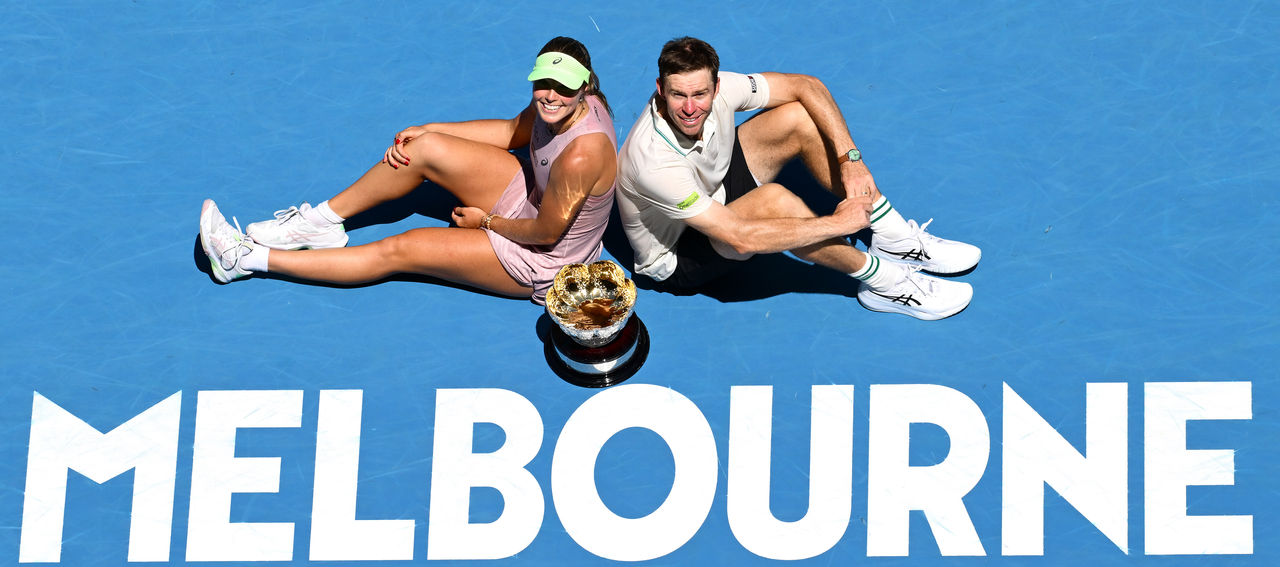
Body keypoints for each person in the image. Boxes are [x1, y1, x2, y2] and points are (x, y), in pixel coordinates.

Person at [199, 37, 616, 305]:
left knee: (401, 250)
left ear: (585, 88)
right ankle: (318, 223)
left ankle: (245, 259)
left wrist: (485, 221)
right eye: (543, 82)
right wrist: (431, 129)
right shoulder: (555, 102)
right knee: (423, 149)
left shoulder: (582, 153)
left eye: (563, 87)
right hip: (530, 198)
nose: (550, 95)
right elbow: (511, 131)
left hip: (543, 256)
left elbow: (546, 233)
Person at [617, 37, 979, 320]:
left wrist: (850, 158)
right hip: (681, 251)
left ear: (715, 85)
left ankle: (893, 236)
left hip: (713, 187)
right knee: (776, 201)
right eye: (678, 95)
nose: (691, 107)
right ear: (661, 88)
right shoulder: (653, 162)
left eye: (700, 93)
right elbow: (740, 238)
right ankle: (885, 283)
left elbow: (805, 85)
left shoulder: (721, 88)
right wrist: (836, 222)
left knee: (796, 118)